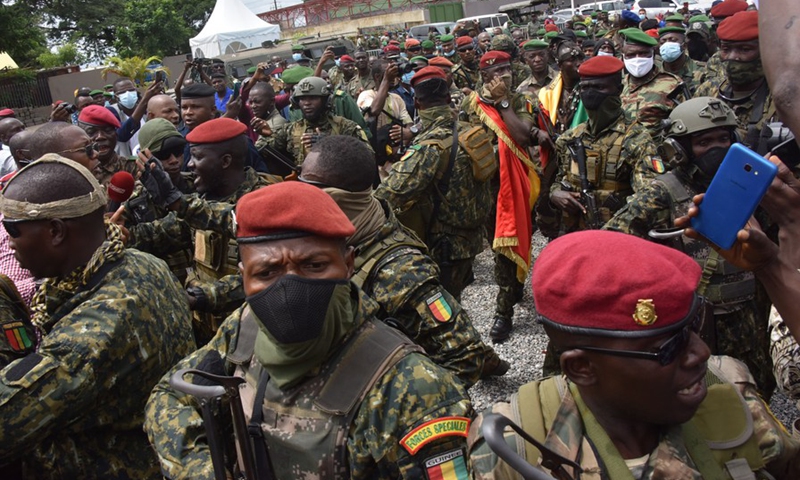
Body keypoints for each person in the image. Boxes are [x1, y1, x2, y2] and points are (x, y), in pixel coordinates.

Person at [144, 180, 472, 480]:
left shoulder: (413, 390)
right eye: (268, 272)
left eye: (313, 266)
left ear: (348, 264)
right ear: (243, 277)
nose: (290, 289)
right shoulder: (246, 326)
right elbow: (169, 395)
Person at [468, 230, 800, 480]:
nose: (701, 352)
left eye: (693, 327)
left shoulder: (730, 390)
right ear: (582, 368)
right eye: (668, 348)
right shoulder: (516, 444)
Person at [0, 155, 195, 478]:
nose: (8, 241)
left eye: (13, 229)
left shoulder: (88, 334)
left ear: (55, 231)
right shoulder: (139, 263)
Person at [604, 96, 776, 396]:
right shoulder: (663, 192)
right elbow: (610, 243)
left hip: (750, 320)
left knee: (756, 396)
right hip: (694, 325)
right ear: (679, 150)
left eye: (724, 139)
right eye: (704, 141)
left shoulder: (752, 188)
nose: (717, 149)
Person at [303, 135, 509, 383]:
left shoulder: (401, 272)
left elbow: (466, 356)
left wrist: (399, 409)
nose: (300, 197)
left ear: (341, 198)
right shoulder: (338, 235)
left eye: (310, 189)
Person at [126, 118, 276, 344]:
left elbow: (265, 278)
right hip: (205, 330)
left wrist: (198, 297)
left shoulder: (266, 200)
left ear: (225, 161)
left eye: (197, 157)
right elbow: (169, 232)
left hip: (248, 335)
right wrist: (123, 235)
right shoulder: (204, 199)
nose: (188, 164)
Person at [377, 67, 494, 301]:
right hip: (470, 240)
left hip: (444, 247)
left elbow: (387, 196)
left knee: (443, 310)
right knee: (455, 299)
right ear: (449, 98)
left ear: (417, 104)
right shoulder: (470, 131)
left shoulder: (429, 148)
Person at [460, 52, 538, 343]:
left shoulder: (520, 100)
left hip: (515, 185)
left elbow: (523, 137)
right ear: (483, 77)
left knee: (510, 242)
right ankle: (514, 289)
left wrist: (503, 103)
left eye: (506, 69)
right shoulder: (471, 105)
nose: (503, 76)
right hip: (483, 187)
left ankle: (503, 312)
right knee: (496, 247)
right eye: (495, 73)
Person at [695, 11, 776, 153]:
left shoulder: (779, 97)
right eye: (726, 49)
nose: (733, 57)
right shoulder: (709, 90)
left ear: (766, 50)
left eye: (744, 49)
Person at [257, 76, 370, 176]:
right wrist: (267, 135)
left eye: (313, 98)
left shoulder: (346, 127)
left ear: (327, 101)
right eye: (302, 99)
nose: (307, 103)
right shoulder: (291, 129)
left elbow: (367, 158)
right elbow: (261, 151)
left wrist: (331, 145)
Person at [619, 28, 687, 143]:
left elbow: (685, 125)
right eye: (631, 55)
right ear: (623, 57)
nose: (637, 59)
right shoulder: (618, 85)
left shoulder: (672, 85)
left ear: (653, 54)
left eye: (643, 54)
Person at [77, 105, 138, 187]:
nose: (100, 136)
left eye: (107, 130)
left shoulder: (133, 168)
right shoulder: (76, 172)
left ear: (116, 135)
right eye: (91, 132)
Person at [109, 77, 162, 157]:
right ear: (116, 97)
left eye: (131, 90)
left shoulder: (146, 110)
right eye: (122, 92)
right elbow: (122, 135)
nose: (128, 94)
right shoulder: (112, 111)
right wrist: (144, 100)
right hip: (128, 161)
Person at [659, 26, 703, 95]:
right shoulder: (654, 73)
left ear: (684, 46)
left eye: (673, 40)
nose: (667, 44)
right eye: (663, 42)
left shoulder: (702, 71)